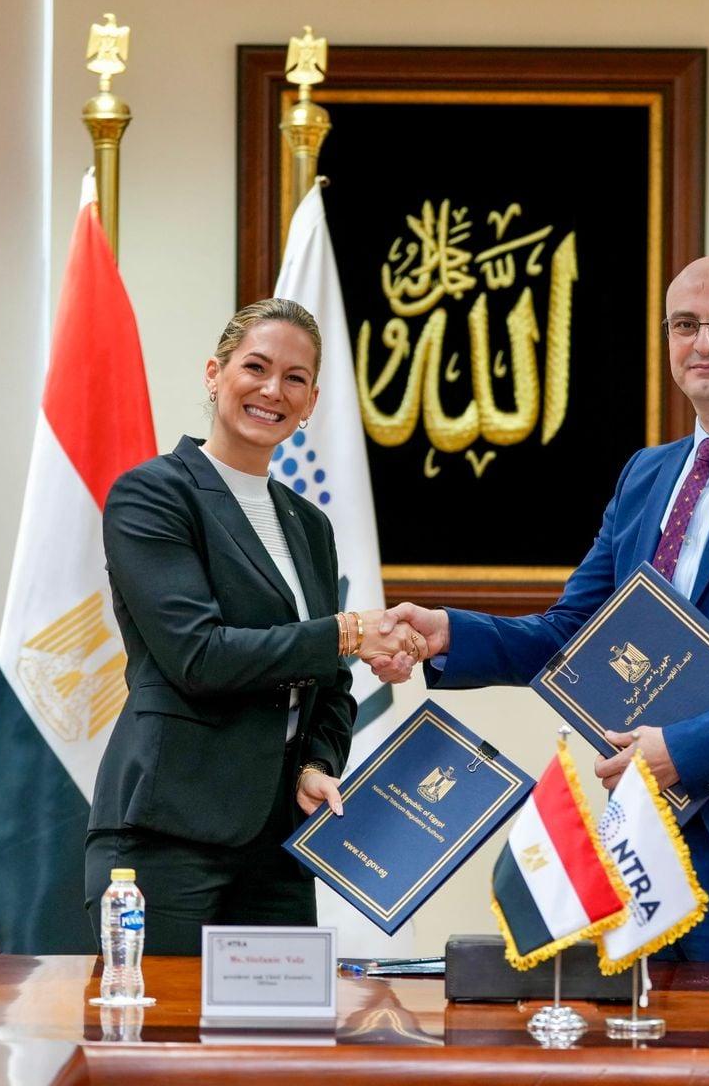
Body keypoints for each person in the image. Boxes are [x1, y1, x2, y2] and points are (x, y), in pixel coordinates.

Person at [371, 256, 709, 960]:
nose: (704, 342)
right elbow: (573, 633)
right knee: (646, 1031)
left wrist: (682, 752)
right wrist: (448, 635)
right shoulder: (647, 474)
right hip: (648, 841)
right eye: (685, 325)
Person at [85, 297, 422, 954]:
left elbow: (331, 683)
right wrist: (348, 632)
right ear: (215, 374)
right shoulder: (152, 494)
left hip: (278, 844)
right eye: (256, 367)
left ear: (311, 401)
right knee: (160, 1022)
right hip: (166, 835)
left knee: (281, 1020)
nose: (273, 391)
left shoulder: (309, 525)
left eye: (295, 379)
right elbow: (199, 657)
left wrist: (316, 762)